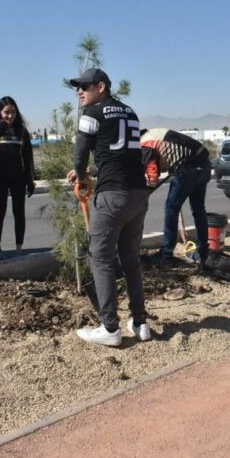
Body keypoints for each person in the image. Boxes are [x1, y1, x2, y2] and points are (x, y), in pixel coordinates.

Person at [67, 68, 150, 347]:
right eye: (77, 87)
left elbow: (80, 154)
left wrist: (81, 174)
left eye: (85, 86)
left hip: (112, 196)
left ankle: (110, 328)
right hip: (138, 194)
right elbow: (120, 155)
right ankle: (140, 322)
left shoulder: (91, 114)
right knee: (131, 260)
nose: (80, 91)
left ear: (101, 87)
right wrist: (91, 172)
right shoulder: (130, 113)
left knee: (101, 258)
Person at [140, 127, 212, 267]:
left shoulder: (145, 143)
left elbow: (153, 176)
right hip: (204, 165)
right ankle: (203, 251)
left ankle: (165, 254)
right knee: (198, 210)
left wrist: (144, 191)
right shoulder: (155, 134)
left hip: (188, 169)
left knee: (171, 209)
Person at [0, 96, 36, 260]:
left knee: (19, 213)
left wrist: (30, 180)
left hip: (18, 178)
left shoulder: (22, 131)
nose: (10, 116)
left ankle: (19, 250)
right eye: (6, 112)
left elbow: (28, 157)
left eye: (13, 112)